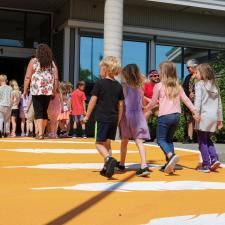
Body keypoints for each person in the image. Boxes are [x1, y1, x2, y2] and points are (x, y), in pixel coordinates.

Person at [146, 61, 200, 174]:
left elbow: (153, 102)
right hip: (176, 116)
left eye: (159, 71)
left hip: (164, 116)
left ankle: (171, 156)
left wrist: (145, 109)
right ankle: (170, 164)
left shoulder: (159, 86)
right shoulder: (177, 86)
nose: (158, 73)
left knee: (161, 140)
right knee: (169, 140)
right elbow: (186, 99)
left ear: (163, 73)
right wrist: (194, 111)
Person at [84, 56, 124, 178]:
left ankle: (108, 159)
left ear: (106, 69)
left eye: (101, 68)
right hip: (113, 119)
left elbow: (93, 101)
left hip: (102, 118)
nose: (99, 70)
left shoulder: (100, 83)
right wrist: (119, 120)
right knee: (107, 144)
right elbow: (121, 105)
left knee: (98, 143)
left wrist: (86, 116)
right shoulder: (118, 85)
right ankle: (107, 168)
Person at [118, 64, 150, 177]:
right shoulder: (140, 87)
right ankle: (144, 165)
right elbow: (142, 105)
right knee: (139, 141)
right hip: (138, 116)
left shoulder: (124, 87)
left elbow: (121, 103)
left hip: (126, 116)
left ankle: (121, 164)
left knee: (124, 141)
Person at [23, 44, 58, 140]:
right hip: (48, 90)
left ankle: (40, 133)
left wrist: (25, 90)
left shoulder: (33, 61)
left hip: (36, 90)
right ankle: (42, 132)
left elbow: (27, 77)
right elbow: (56, 78)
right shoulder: (51, 63)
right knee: (44, 111)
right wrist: (55, 90)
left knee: (38, 111)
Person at [194, 63, 223, 172]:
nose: (195, 75)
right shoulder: (215, 86)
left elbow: (198, 100)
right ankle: (214, 159)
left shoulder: (199, 84)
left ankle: (206, 164)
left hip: (203, 116)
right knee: (208, 139)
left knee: (202, 141)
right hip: (213, 117)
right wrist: (220, 119)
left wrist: (195, 113)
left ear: (203, 74)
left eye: (197, 72)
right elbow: (219, 104)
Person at [183, 59, 199, 143]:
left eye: (188, 67)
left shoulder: (201, 76)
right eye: (187, 68)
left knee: (198, 118)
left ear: (195, 66)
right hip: (188, 102)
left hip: (198, 101)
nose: (187, 69)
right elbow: (184, 89)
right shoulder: (188, 77)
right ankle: (190, 137)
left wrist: (195, 94)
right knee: (189, 120)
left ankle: (199, 137)